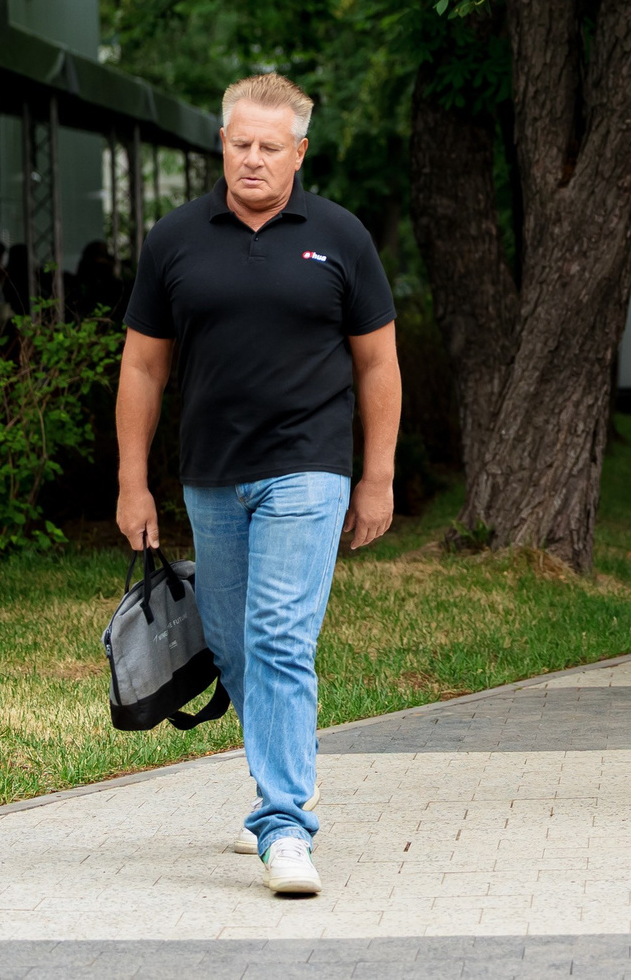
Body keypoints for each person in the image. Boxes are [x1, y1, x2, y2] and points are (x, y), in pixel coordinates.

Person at [115, 72, 403, 897]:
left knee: (280, 635)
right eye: (239, 143)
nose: (251, 158)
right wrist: (134, 482)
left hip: (309, 467)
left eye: (268, 146)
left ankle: (283, 824)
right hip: (211, 474)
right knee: (236, 646)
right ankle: (293, 768)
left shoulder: (340, 237)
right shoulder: (176, 240)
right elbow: (142, 364)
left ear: (299, 152)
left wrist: (376, 475)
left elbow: (378, 362)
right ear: (222, 145)